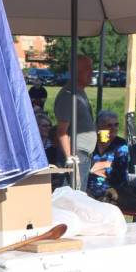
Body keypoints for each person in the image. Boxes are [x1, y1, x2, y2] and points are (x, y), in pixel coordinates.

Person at [54, 54, 95, 187]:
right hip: (76, 155)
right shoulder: (69, 96)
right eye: (88, 68)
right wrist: (69, 157)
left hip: (83, 155)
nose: (92, 72)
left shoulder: (79, 93)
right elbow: (61, 131)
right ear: (77, 72)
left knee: (79, 196)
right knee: (73, 196)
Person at [86, 111, 131, 203]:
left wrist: (97, 169)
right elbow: (84, 168)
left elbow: (120, 172)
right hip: (88, 189)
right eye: (109, 125)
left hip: (111, 191)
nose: (113, 128)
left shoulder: (120, 144)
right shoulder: (91, 143)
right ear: (98, 127)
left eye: (116, 125)